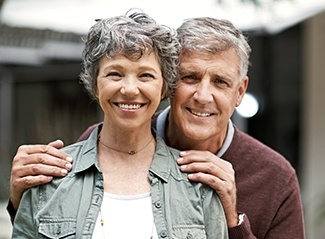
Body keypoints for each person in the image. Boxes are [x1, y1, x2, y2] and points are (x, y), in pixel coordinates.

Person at [8, 16, 305, 239]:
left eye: (220, 82)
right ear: (171, 83)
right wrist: (21, 196)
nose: (203, 96)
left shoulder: (275, 178)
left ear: (240, 91)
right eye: (190, 78)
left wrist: (233, 220)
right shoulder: (98, 144)